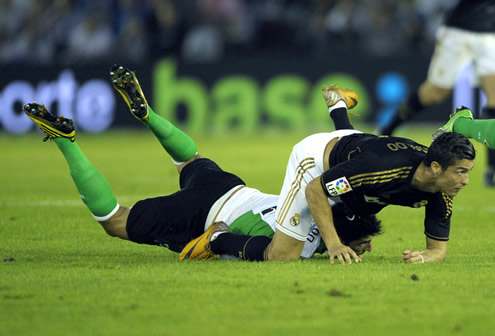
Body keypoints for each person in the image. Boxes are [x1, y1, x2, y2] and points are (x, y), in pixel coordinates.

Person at [22, 64, 381, 261]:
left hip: (232, 186)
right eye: (364, 242)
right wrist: (216, 242)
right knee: (115, 220)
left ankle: (148, 115)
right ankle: (65, 141)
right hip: (204, 213)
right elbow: (235, 243)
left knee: (189, 159)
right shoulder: (299, 247)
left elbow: (344, 142)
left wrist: (336, 106)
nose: (366, 247)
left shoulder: (324, 198)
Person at [182, 87, 476, 265]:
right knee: (284, 255)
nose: (464, 181)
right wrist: (334, 244)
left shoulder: (440, 190)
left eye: (467, 172)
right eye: (460, 172)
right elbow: (316, 190)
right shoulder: (381, 169)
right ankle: (217, 239)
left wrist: (426, 256)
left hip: (359, 148)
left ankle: (337, 103)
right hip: (316, 161)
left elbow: (438, 250)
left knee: (361, 200)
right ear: (435, 168)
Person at [376, 0, 495, 186]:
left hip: (490, 33)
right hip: (461, 28)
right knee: (434, 92)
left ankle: (492, 171)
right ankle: (385, 132)